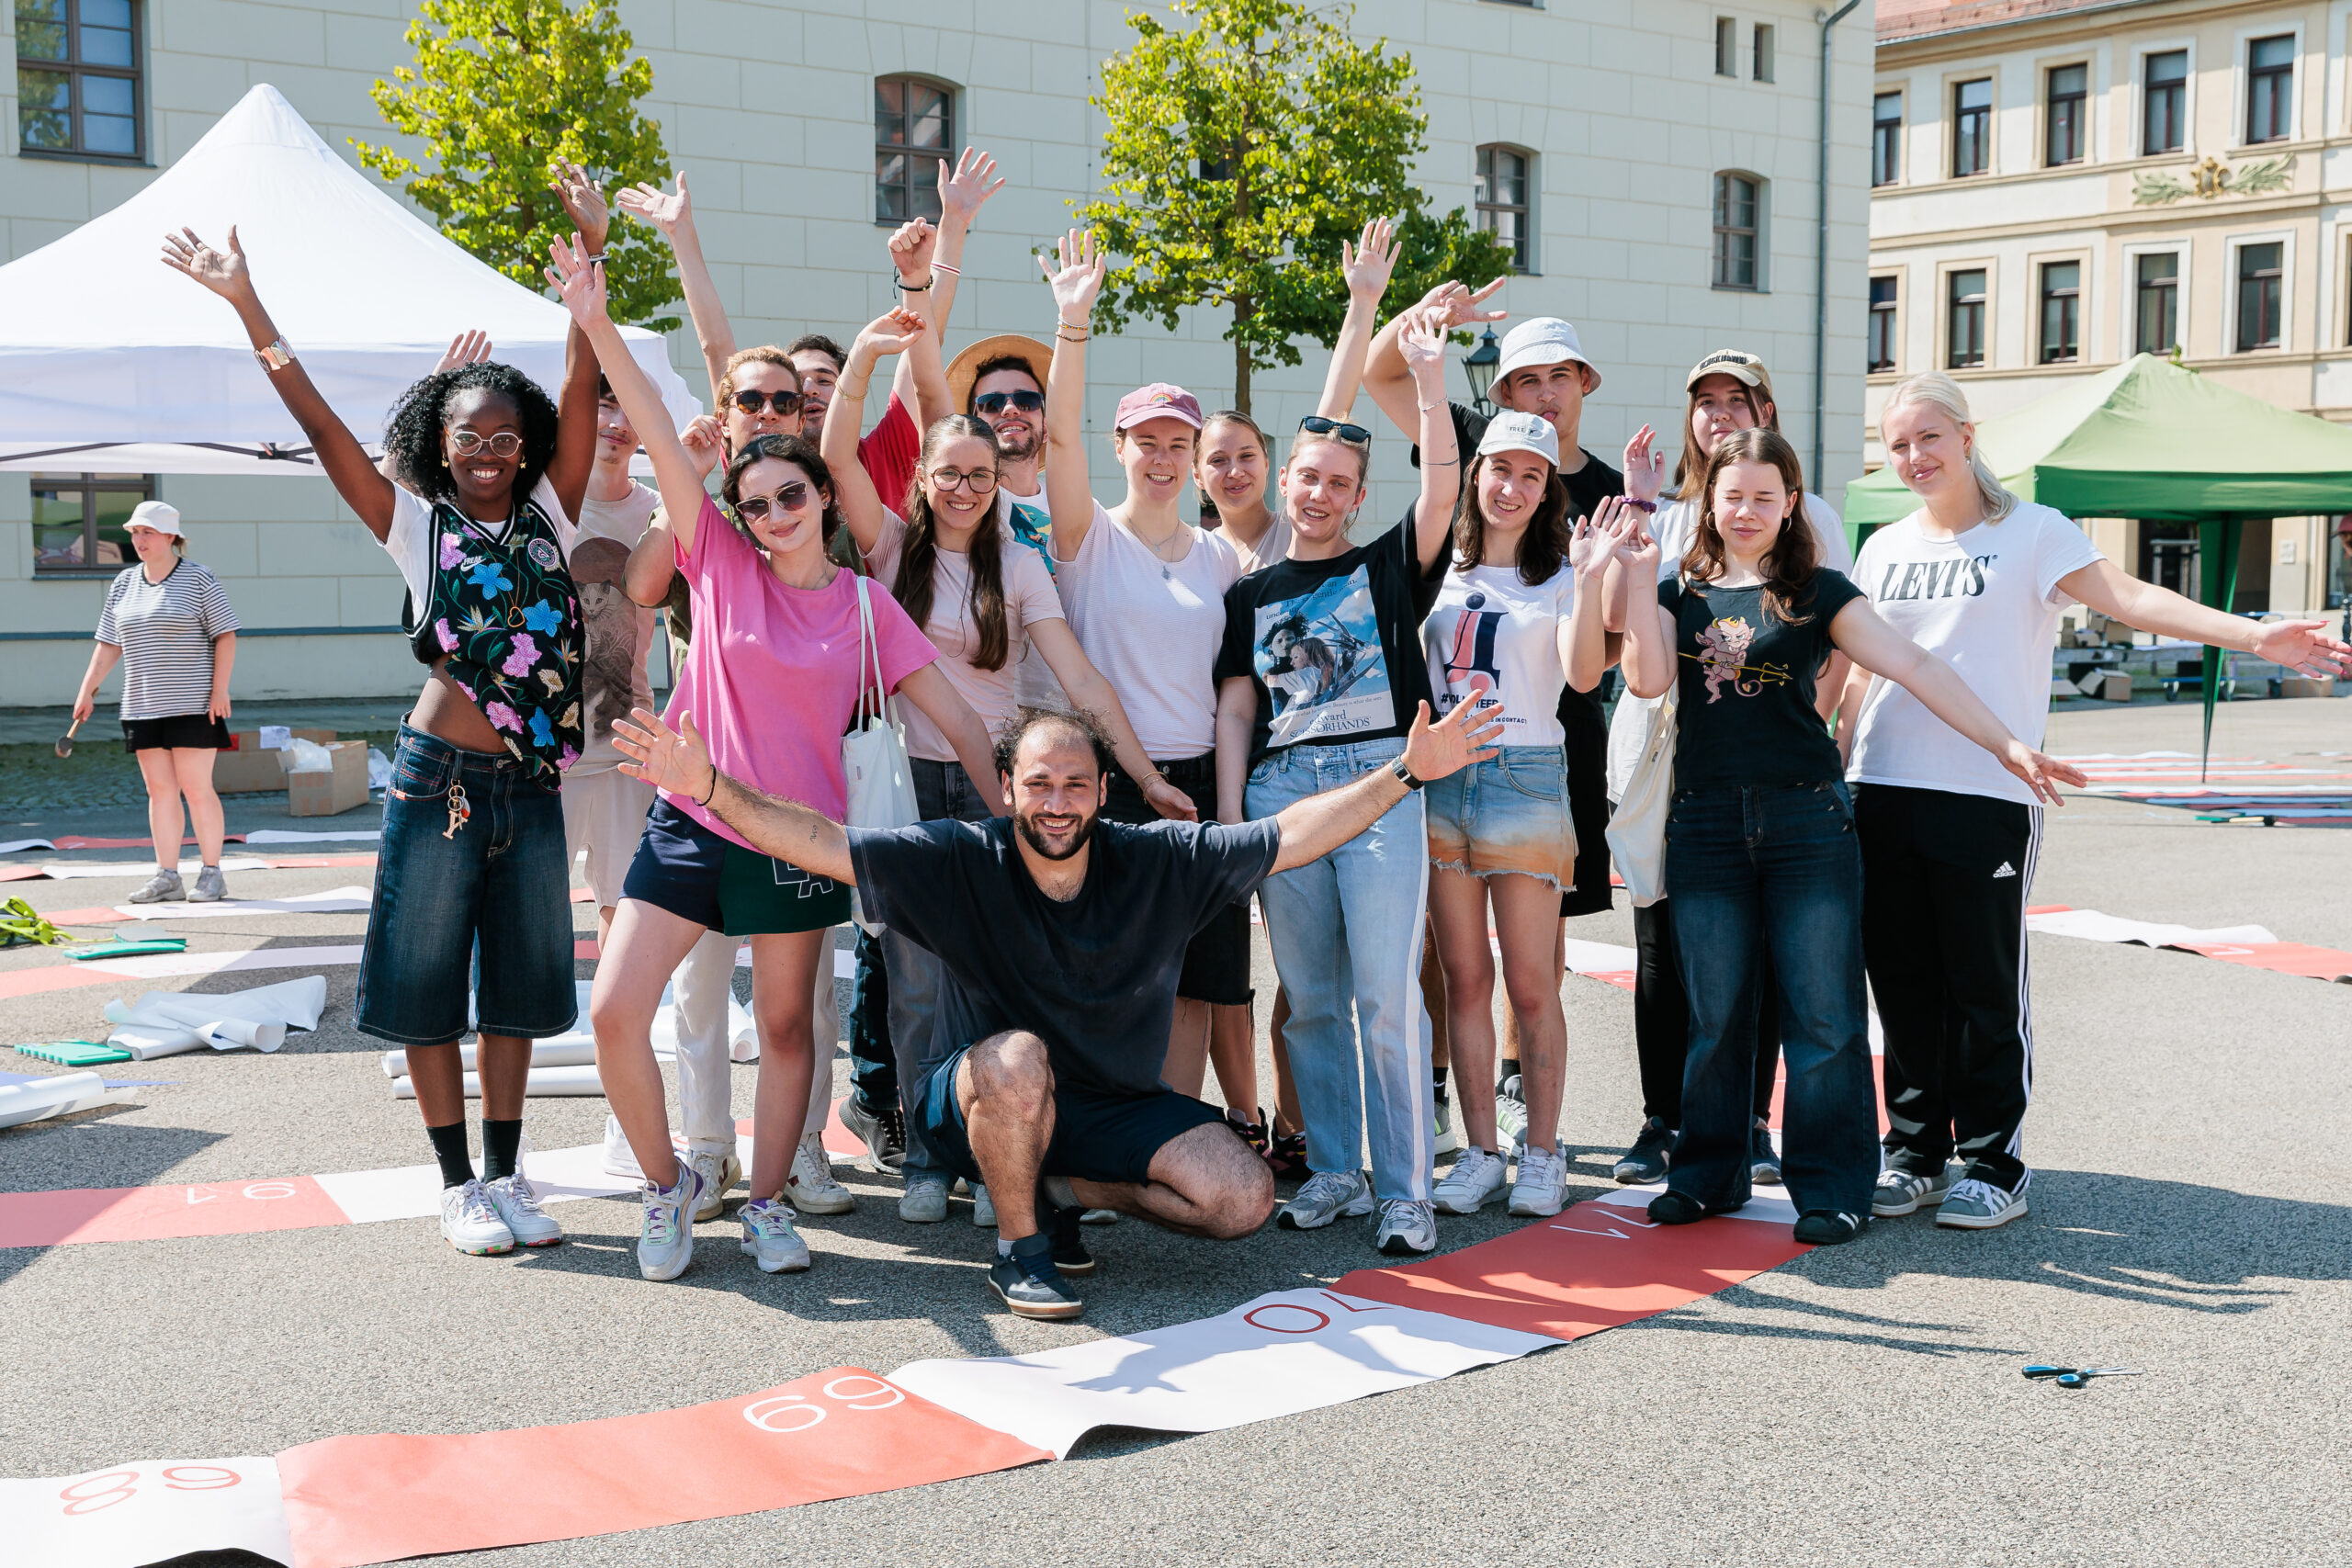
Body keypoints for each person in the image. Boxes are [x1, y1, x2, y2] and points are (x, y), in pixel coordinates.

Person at [610, 694, 1505, 1318]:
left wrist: (1404, 773)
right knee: (1017, 1060)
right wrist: (711, 789)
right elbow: (821, 842)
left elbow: (1290, 836)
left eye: (1076, 783)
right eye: (1038, 784)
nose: (1057, 801)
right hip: (976, 1096)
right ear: (1006, 790)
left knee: (1241, 1197)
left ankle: (1061, 1184)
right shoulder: (960, 856)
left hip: (1108, 1105)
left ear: (1103, 792)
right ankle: (1020, 1245)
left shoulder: (1160, 860)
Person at [162, 192, 604, 1258]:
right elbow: (318, 423)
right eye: (470, 436)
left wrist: (590, 266)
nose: (491, 450)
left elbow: (585, 387)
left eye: (507, 435)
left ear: (526, 443)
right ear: (439, 447)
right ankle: (457, 1186)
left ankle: (507, 1175)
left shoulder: (554, 507)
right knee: (423, 984)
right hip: (439, 777)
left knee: (519, 991)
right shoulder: (415, 522)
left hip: (532, 783)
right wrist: (245, 297)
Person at [552, 238, 1001, 1280]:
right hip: (691, 821)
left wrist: (1008, 834)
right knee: (620, 1010)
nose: (770, 516)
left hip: (798, 840)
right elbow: (664, 438)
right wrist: (596, 320)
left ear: (816, 494)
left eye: (788, 498)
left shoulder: (863, 604)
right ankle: (669, 1189)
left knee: (792, 1028)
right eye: (752, 507)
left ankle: (765, 1204)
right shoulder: (718, 567)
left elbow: (964, 724)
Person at [1845, 372, 2352, 1230]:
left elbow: (2134, 596)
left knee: (1981, 980)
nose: (1914, 456)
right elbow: (1860, 669)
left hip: (1989, 789)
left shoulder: (2034, 533)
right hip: (1880, 785)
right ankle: (1916, 1152)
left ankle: (1994, 1161)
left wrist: (2255, 633)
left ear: (1968, 438)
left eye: (1929, 437)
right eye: (1898, 444)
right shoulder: (1884, 547)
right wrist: (1835, 767)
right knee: (1899, 980)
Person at [1607, 427, 2085, 1247]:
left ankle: (1832, 1188)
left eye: (1765, 495)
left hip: (1808, 824)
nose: (1747, 509)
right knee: (1716, 1014)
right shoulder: (1675, 592)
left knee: (1825, 1017)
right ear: (1710, 505)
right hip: (1707, 823)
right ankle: (1708, 1173)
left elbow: (1918, 666)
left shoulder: (1820, 591)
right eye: (1733, 496)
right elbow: (1647, 679)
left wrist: (2004, 742)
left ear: (1791, 502)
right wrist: (1633, 569)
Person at [824, 303, 1193, 1227]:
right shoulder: (892, 548)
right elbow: (835, 461)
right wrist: (870, 357)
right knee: (914, 980)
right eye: (948, 473)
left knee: (997, 979)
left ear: (998, 482)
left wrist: (1143, 777)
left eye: (979, 475)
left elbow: (1083, 681)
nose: (962, 488)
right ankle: (924, 1150)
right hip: (907, 782)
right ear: (923, 477)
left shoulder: (1020, 566)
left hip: (995, 789)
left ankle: (1001, 1157)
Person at [1213, 299, 1460, 1257]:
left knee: (1386, 995)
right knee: (1310, 996)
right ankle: (1337, 1174)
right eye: (1307, 476)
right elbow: (1237, 707)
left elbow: (1441, 491)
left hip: (1382, 782)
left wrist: (1431, 384)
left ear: (1359, 497)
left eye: (1339, 482)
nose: (1319, 493)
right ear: (1288, 481)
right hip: (1283, 800)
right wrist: (1235, 816)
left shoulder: (1390, 567)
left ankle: (1406, 1191)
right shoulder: (1250, 594)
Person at [1363, 291, 1623, 1127]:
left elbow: (1602, 658)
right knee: (1454, 949)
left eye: (1559, 377)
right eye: (1525, 380)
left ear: (1584, 382)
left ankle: (1522, 1096)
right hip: (1449, 756)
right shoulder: (1470, 465)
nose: (1544, 394)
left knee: (1538, 949)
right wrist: (1415, 313)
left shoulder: (1612, 496)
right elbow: (1384, 376)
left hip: (1553, 740)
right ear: (1502, 397)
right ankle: (1458, 1103)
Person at [1600, 349, 1856, 1189]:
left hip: (1779, 775)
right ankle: (1672, 1126)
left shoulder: (1803, 515)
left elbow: (1836, 640)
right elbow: (1631, 647)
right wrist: (1636, 508)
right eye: (1704, 401)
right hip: (1675, 769)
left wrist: (1806, 728)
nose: (1718, 413)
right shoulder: (1671, 513)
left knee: (1793, 984)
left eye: (1735, 399)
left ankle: (1755, 1127)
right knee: (1673, 959)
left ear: (1767, 411)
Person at [1035, 228, 1250, 1108]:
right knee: (1106, 976)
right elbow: (1054, 442)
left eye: (1178, 447)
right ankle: (1099, 1141)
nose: (1162, 460)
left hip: (1200, 781)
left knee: (1198, 982)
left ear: (1197, 461)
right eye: (1146, 443)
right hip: (1110, 783)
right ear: (1120, 446)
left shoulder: (1220, 559)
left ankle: (1172, 1141)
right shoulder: (1087, 538)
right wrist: (1073, 327)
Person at [1420, 411, 1599, 1220]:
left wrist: (1591, 581)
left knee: (1530, 985)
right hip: (1443, 779)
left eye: (1534, 476)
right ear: (1476, 472)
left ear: (1548, 489)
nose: (1514, 488)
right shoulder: (1440, 568)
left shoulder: (1559, 574)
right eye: (1502, 470)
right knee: (1463, 981)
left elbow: (1585, 677)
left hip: (1525, 776)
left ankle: (1545, 1152)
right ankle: (1482, 1151)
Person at [72, 502, 240, 905]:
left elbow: (226, 634)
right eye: (134, 532)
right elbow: (108, 644)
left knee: (197, 789)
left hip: (193, 702)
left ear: (170, 536)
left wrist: (220, 689)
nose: (139, 540)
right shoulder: (124, 583)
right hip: (141, 705)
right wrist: (86, 690)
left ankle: (212, 875)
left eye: (147, 532)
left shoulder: (199, 577)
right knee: (160, 792)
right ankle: (167, 876)